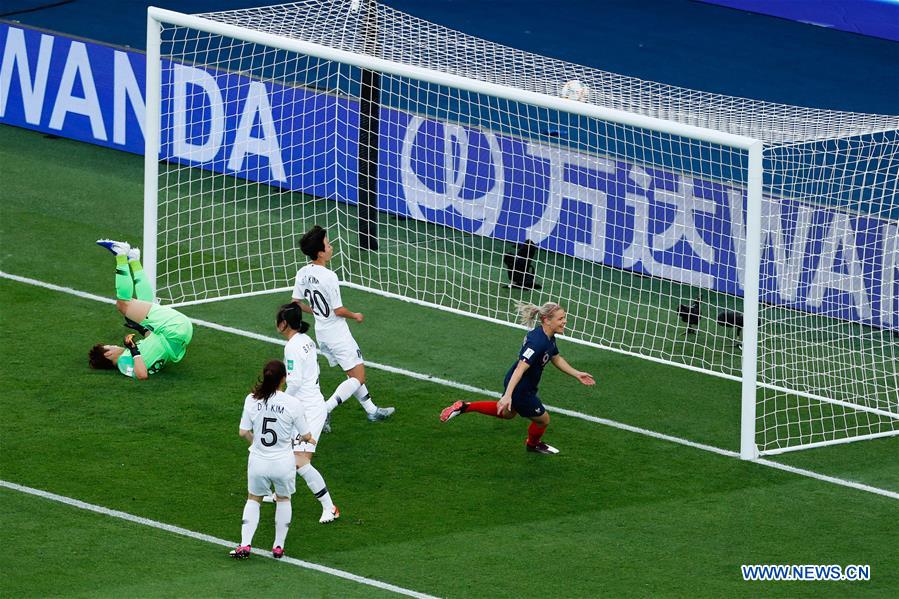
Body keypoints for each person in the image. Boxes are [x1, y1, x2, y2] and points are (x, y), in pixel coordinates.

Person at [439, 301, 595, 454]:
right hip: (521, 387)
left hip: (521, 384)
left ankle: (465, 407)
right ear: (547, 320)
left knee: (508, 413)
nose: (565, 321)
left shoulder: (547, 337)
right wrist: (508, 395)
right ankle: (533, 445)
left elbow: (556, 357)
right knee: (543, 420)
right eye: (561, 318)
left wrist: (576, 373)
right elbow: (521, 368)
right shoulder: (537, 342)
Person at [292, 225, 394, 430]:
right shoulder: (329, 277)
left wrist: (316, 311)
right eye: (328, 244)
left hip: (322, 334)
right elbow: (338, 310)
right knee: (358, 377)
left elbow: (295, 303)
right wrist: (355, 315)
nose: (331, 247)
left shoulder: (302, 273)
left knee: (352, 374)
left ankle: (372, 410)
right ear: (320, 253)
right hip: (337, 334)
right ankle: (324, 410)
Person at [230, 360, 314, 559]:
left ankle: (245, 545)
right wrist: (302, 438)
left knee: (254, 499)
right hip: (283, 463)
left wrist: (255, 444)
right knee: (284, 499)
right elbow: (307, 435)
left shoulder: (251, 399)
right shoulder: (292, 403)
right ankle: (278, 546)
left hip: (258, 461)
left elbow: (243, 432)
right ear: (284, 379)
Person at [267, 302, 341, 523]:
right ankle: (280, 493)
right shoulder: (306, 341)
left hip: (307, 411)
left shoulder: (292, 347)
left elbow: (296, 381)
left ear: (284, 324)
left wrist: (283, 402)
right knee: (286, 453)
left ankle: (330, 507)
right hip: (308, 406)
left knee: (300, 461)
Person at [88, 239, 193, 379]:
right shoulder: (123, 363)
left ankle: (134, 260)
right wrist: (133, 348)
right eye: (110, 346)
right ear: (108, 354)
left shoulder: (130, 357)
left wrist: (141, 329)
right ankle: (121, 254)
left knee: (143, 307)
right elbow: (142, 375)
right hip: (172, 330)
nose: (114, 346)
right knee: (122, 304)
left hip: (179, 334)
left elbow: (157, 345)